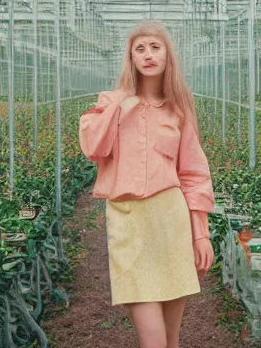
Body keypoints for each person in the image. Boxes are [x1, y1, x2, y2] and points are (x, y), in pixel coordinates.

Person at [79, 22, 215, 348]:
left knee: (170, 339)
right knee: (153, 339)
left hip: (171, 221)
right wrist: (120, 103)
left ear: (168, 55)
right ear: (130, 58)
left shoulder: (178, 110)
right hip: (128, 223)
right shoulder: (110, 103)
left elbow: (194, 173)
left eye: (155, 46)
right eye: (139, 49)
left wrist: (201, 233)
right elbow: (93, 148)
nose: (148, 54)